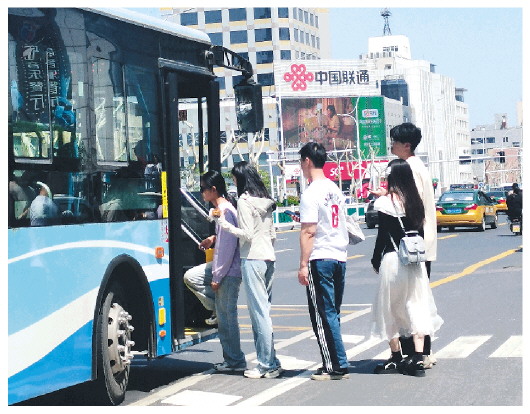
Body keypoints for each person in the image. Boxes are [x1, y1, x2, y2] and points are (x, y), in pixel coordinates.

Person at [370, 122, 438, 368]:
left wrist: (387, 199)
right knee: (417, 298)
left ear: (406, 145)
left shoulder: (409, 167)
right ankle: (421, 353)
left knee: (409, 301)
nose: (391, 146)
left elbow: (407, 205)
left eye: (395, 142)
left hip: (409, 247)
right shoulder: (418, 166)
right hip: (419, 244)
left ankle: (418, 354)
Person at [213, 161, 282, 379]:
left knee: (258, 314)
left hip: (252, 258)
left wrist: (224, 224)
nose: (233, 182)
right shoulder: (265, 200)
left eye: (234, 178)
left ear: (241, 179)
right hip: (269, 258)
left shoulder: (244, 202)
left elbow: (247, 234)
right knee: (265, 313)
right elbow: (272, 234)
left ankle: (266, 364)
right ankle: (272, 361)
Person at [184, 170, 247, 371]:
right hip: (225, 268)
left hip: (228, 271)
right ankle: (215, 308)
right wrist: (213, 238)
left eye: (203, 188)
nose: (201, 192)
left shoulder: (225, 211)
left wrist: (217, 277)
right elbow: (226, 239)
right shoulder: (222, 209)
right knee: (191, 277)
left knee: (227, 319)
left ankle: (235, 361)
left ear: (213, 189)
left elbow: (227, 249)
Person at [297, 142, 350, 380]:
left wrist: (303, 265)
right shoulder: (334, 188)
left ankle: (334, 365)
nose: (301, 167)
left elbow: (309, 231)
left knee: (322, 314)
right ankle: (336, 362)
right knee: (332, 313)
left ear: (307, 161)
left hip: (320, 257)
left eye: (301, 162)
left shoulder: (311, 193)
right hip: (339, 255)